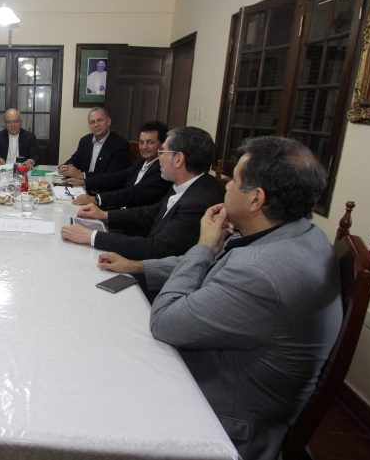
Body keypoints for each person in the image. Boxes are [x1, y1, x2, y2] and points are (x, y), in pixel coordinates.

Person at [97, 136, 342, 460]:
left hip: (222, 421)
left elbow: (165, 321)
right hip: (238, 374)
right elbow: (216, 262)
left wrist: (203, 245)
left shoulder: (259, 273)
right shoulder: (301, 234)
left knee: (98, 379)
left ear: (256, 199)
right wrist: (138, 266)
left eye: (234, 181)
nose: (224, 186)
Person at [61, 126, 223, 262]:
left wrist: (91, 236)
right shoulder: (185, 184)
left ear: (178, 159)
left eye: (162, 152)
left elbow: (156, 249)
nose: (159, 158)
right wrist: (105, 215)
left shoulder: (198, 202)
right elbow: (151, 212)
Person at [73, 120, 171, 209]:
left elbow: (134, 193)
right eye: (141, 142)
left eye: (150, 142)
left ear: (162, 145)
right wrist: (85, 182)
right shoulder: (141, 161)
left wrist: (97, 199)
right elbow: (118, 177)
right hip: (119, 209)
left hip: (134, 218)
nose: (144, 147)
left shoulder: (163, 170)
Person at [58, 107, 131, 183]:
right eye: (92, 122)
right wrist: (64, 167)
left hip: (103, 188)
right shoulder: (85, 140)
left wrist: (82, 175)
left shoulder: (120, 144)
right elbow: (75, 159)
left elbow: (112, 175)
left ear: (109, 121)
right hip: (81, 185)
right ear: (89, 126)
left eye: (100, 120)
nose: (96, 125)